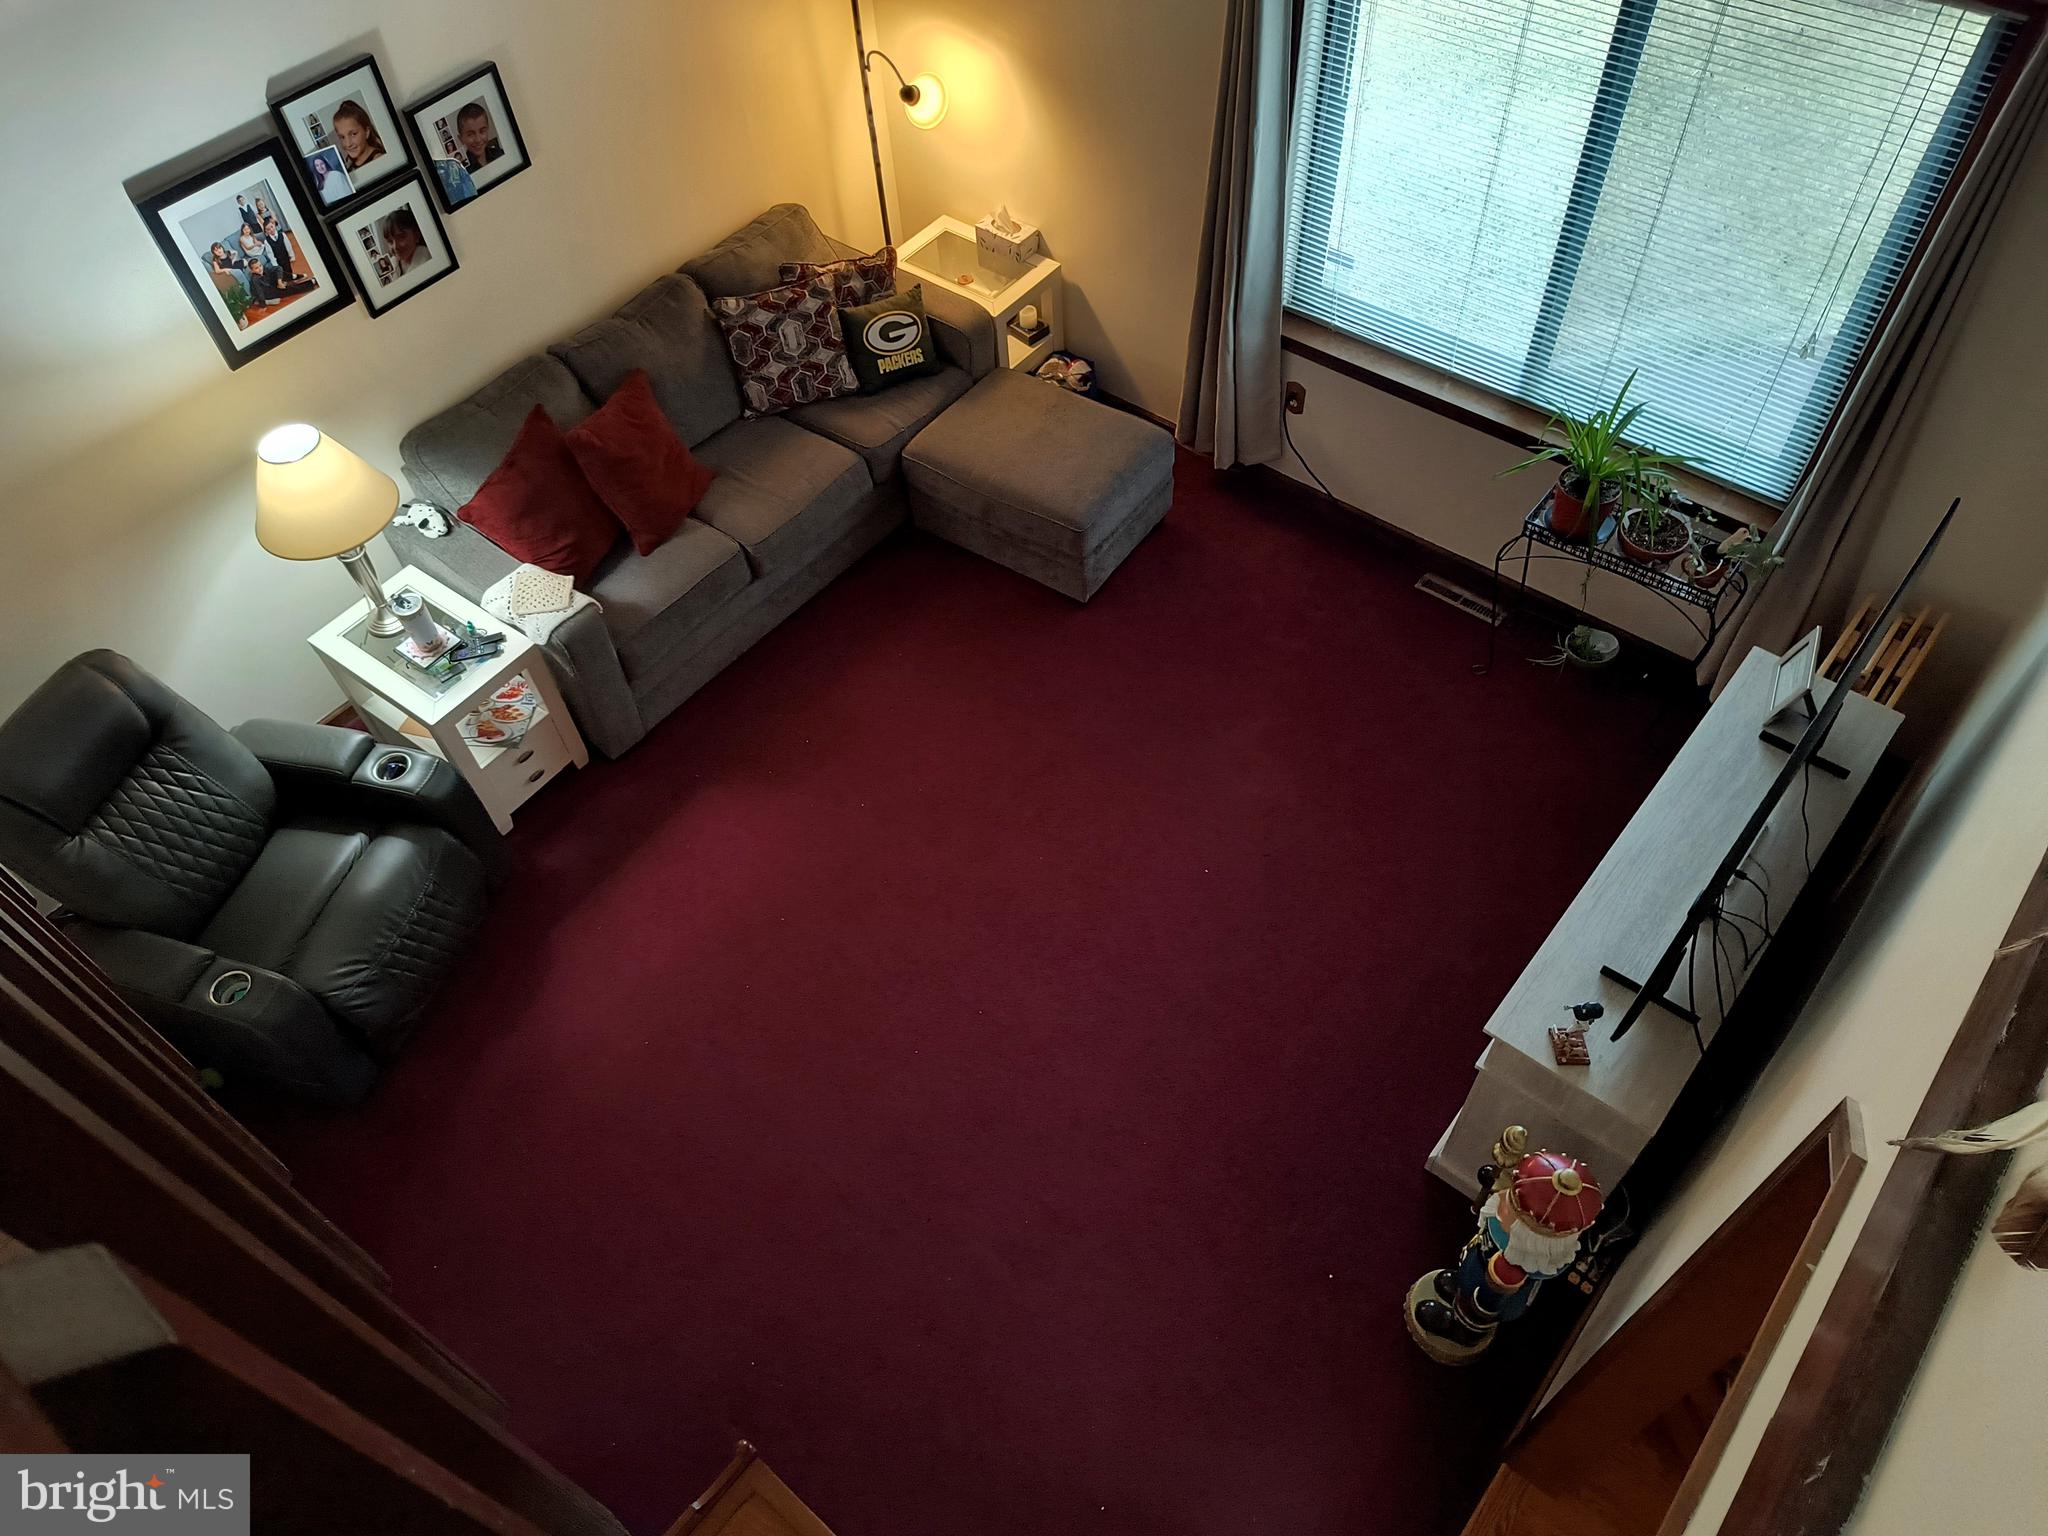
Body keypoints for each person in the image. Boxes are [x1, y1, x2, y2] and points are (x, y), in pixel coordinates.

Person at [331, 99, 386, 171]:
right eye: (342, 137)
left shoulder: (380, 160)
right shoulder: (350, 167)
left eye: (353, 134)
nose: (348, 144)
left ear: (366, 132)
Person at [381, 207, 430, 274]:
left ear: (416, 235)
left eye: (401, 237)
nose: (395, 247)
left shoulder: (427, 259)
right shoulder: (393, 263)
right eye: (390, 241)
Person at [456, 101, 502, 171]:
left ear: (487, 129)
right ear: (461, 139)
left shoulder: (500, 153)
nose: (478, 140)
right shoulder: (462, 170)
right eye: (470, 134)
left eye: (482, 131)